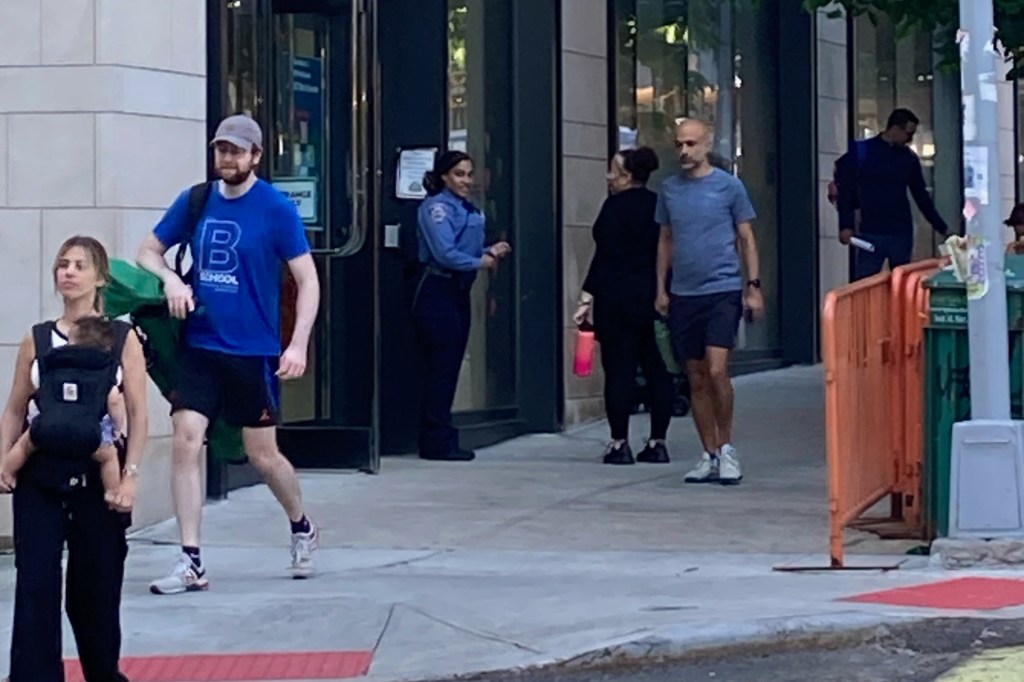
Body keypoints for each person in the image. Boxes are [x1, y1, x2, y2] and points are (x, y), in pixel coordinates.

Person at [137, 114, 322, 594]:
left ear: (257, 156)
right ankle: (191, 560)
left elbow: (308, 280)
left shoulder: (276, 208)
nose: (228, 158)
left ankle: (301, 525)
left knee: (262, 456)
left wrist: (297, 342)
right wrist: (172, 281)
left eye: (238, 151)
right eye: (222, 149)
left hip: (254, 350)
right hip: (201, 343)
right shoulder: (196, 200)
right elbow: (148, 251)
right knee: (185, 437)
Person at [0, 236, 147, 682]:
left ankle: (103, 672)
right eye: (62, 264)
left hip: (99, 475)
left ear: (99, 278)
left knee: (95, 587)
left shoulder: (121, 338)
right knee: (36, 583)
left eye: (79, 265)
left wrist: (130, 477)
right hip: (40, 473)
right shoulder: (38, 338)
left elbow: (139, 414)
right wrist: (5, 459)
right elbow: (15, 407)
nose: (68, 272)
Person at [655, 118, 763, 486]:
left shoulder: (729, 187)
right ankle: (710, 451)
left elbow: (746, 236)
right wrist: (661, 288)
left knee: (717, 370)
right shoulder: (669, 190)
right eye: (679, 145)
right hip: (685, 292)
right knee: (696, 375)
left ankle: (728, 446)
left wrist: (753, 285)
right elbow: (665, 240)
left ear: (706, 143)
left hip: (722, 288)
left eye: (691, 144)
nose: (684, 152)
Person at [575, 147, 673, 465]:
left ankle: (620, 443)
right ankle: (658, 441)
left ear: (627, 175)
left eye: (613, 171)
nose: (608, 177)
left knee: (619, 370)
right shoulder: (658, 205)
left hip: (616, 297)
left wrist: (587, 295)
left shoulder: (614, 208)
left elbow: (604, 256)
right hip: (651, 294)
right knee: (656, 367)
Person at [412, 151, 511, 461]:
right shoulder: (436, 208)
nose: (466, 180)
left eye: (469, 174)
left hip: (458, 289)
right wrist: (481, 262)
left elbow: (463, 250)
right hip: (436, 288)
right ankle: (435, 440)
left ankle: (441, 434)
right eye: (459, 174)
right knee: (441, 366)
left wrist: (488, 251)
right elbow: (445, 253)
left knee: (451, 365)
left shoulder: (470, 209)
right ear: (443, 176)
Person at [2, 316, 127, 497]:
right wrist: (115, 427)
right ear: (107, 347)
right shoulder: (108, 370)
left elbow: (36, 389)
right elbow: (115, 401)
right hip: (88, 433)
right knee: (109, 457)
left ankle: (6, 473)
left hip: (48, 427)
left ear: (71, 340)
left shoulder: (50, 362)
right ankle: (112, 492)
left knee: (25, 445)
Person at [836, 108, 949, 280]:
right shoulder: (864, 152)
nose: (910, 140)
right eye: (908, 134)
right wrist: (846, 224)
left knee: (895, 283)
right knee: (866, 282)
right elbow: (845, 189)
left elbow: (921, 196)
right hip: (873, 230)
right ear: (895, 129)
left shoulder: (907, 158)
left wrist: (941, 227)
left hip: (895, 231)